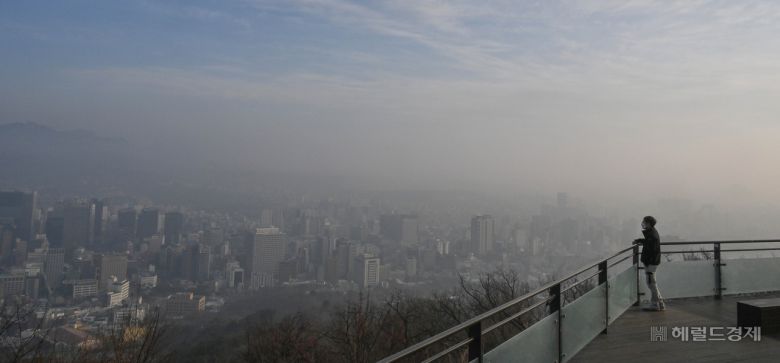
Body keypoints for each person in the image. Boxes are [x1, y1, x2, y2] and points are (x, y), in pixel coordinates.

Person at [634, 216, 665, 311]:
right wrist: (639, 240)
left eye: (644, 222)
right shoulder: (651, 233)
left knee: (651, 283)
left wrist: (647, 262)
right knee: (652, 283)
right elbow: (648, 242)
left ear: (649, 223)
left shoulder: (652, 235)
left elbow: (653, 250)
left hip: (651, 263)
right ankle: (660, 303)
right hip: (651, 262)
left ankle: (655, 304)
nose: (643, 223)